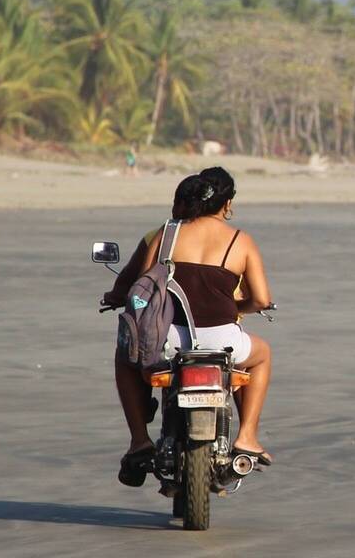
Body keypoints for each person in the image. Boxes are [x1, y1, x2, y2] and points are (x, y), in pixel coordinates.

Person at [105, 167, 275, 487]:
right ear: (227, 205)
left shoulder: (167, 234)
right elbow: (262, 299)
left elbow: (144, 287)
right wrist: (239, 308)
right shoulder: (241, 241)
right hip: (224, 341)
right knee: (263, 355)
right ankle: (248, 437)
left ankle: (140, 441)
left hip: (169, 341)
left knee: (125, 356)